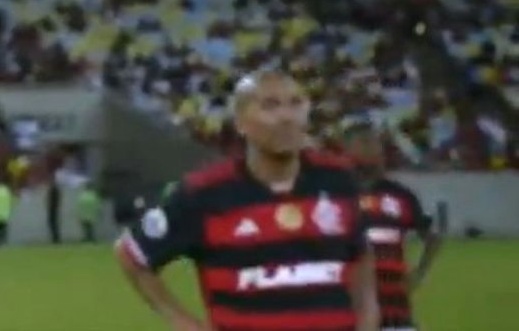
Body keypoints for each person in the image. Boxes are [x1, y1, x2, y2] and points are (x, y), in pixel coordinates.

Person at [118, 69, 380, 331]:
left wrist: (368, 316)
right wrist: (184, 323)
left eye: (296, 104)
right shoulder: (205, 192)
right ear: (241, 122)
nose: (287, 117)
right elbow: (131, 254)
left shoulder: (338, 179)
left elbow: (360, 251)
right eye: (270, 106)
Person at [345, 128, 444, 331]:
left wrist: (419, 273)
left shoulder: (401, 195)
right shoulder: (338, 195)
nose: (373, 151)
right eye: (364, 144)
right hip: (349, 309)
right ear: (349, 151)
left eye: (375, 146)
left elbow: (432, 237)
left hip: (395, 309)